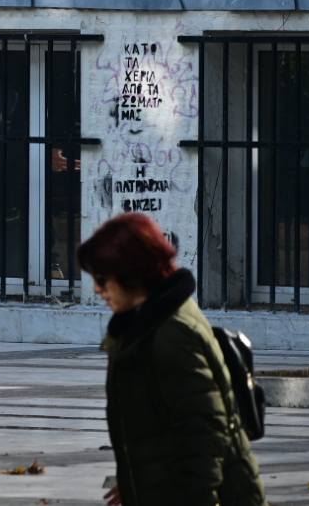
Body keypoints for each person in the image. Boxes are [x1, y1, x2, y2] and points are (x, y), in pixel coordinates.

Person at [78, 213, 265, 506]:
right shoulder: (142, 326)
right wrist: (135, 483)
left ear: (131, 274)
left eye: (103, 279)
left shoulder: (172, 333)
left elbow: (203, 436)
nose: (97, 290)